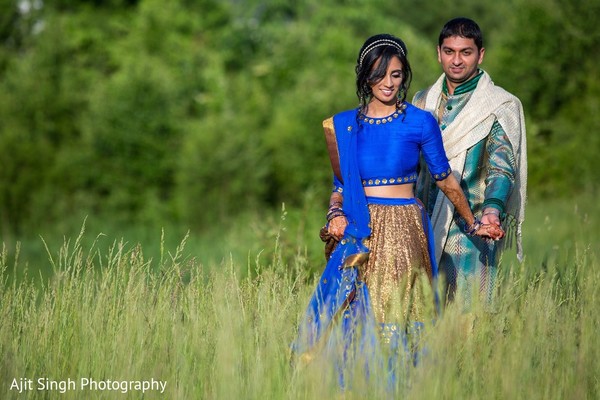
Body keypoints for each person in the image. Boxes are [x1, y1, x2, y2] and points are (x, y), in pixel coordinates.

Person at [292, 33, 503, 389]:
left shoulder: (419, 122)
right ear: (364, 77)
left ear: (405, 76)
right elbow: (340, 188)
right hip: (358, 230)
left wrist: (471, 222)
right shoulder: (345, 125)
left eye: (396, 74)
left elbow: (444, 179)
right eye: (379, 75)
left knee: (397, 314)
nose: (389, 83)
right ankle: (352, 387)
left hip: (404, 229)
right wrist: (335, 216)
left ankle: (400, 387)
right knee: (348, 310)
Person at [413, 17, 527, 311]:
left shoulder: (499, 105)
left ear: (481, 54)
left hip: (472, 227)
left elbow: (502, 167)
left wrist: (492, 211)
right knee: (422, 317)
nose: (456, 60)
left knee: (470, 321)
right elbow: (410, 165)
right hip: (423, 225)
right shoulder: (421, 100)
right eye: (449, 51)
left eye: (466, 52)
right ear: (438, 53)